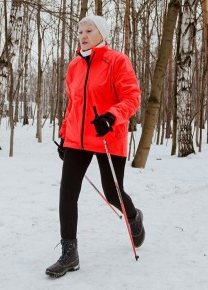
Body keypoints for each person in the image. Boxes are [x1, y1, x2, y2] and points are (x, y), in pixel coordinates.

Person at [46, 15, 145, 278]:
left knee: (113, 194)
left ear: (102, 34)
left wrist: (111, 116)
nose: (83, 34)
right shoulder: (74, 66)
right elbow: (73, 104)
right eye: (80, 31)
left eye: (89, 30)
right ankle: (70, 253)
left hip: (107, 137)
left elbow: (132, 97)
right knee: (67, 193)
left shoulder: (117, 61)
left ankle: (134, 216)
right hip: (78, 140)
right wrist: (64, 135)